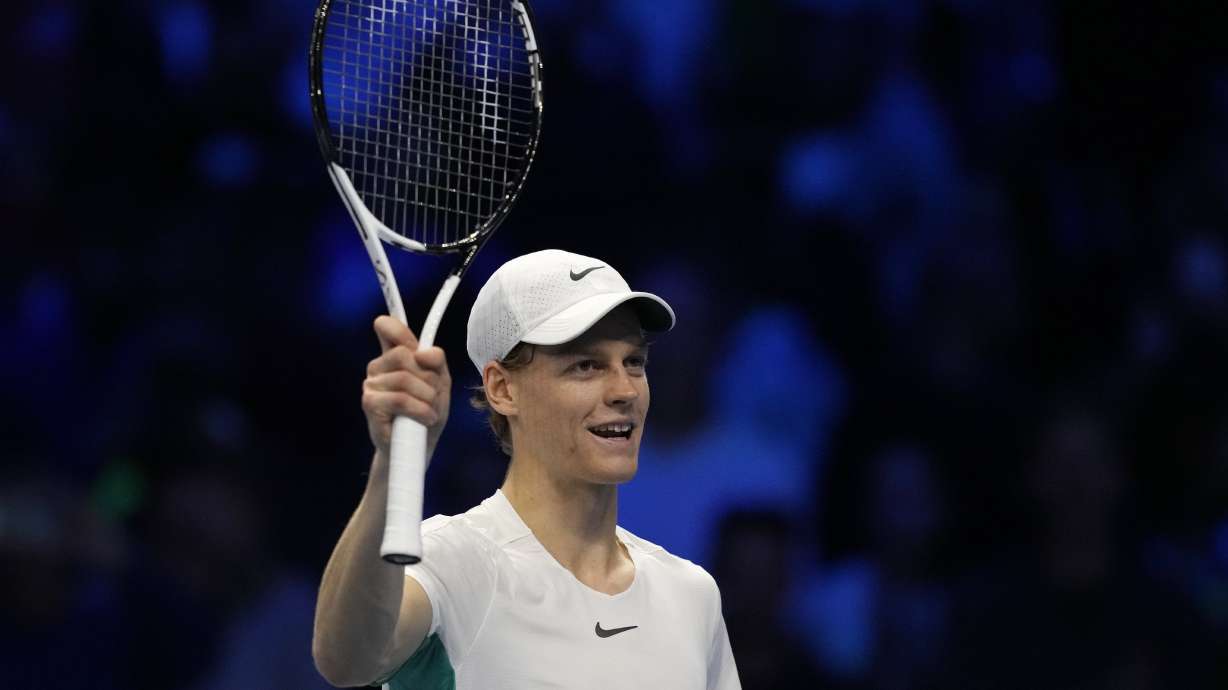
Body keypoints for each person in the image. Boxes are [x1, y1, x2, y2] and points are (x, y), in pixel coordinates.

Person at [313, 249, 741, 689]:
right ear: (502, 388)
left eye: (634, 362)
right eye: (586, 365)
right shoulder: (452, 561)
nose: (624, 390)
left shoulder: (692, 594)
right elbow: (347, 661)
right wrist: (393, 461)